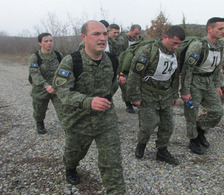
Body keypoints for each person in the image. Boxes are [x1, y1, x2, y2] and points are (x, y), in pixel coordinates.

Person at [53, 20, 125, 194]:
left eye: (105, 34)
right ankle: (70, 168)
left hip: (105, 119)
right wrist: (88, 101)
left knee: (112, 161)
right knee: (73, 154)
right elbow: (62, 91)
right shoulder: (71, 61)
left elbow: (113, 85)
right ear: (84, 37)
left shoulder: (112, 61)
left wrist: (103, 101)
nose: (102, 38)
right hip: (78, 120)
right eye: (96, 34)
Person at [127, 26, 186, 165]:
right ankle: (141, 144)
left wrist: (174, 94)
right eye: (174, 43)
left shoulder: (174, 54)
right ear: (166, 37)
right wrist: (135, 97)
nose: (176, 47)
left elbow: (174, 75)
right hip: (147, 93)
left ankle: (162, 150)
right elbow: (134, 75)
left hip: (165, 95)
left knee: (168, 125)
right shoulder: (148, 51)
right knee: (148, 124)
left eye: (179, 44)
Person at [181, 17, 224, 155]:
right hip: (194, 83)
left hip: (209, 83)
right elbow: (187, 70)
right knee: (191, 114)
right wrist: (185, 91)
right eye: (220, 28)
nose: (223, 31)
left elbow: (217, 68)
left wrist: (217, 85)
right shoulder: (198, 45)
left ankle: (200, 130)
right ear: (209, 29)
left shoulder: (219, 46)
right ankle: (193, 140)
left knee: (217, 112)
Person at [28, 32, 63, 134]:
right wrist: (46, 85)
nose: (49, 43)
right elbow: (35, 74)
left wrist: (60, 84)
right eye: (46, 41)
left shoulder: (58, 55)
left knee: (63, 109)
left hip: (56, 88)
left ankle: (67, 126)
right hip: (41, 89)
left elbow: (64, 71)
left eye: (51, 41)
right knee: (39, 110)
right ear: (40, 43)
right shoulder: (35, 57)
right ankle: (40, 123)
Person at [118, 24, 143, 113]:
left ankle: (137, 103)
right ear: (131, 31)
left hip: (135, 67)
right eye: (135, 33)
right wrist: (121, 72)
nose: (137, 36)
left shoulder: (139, 40)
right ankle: (128, 104)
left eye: (138, 34)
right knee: (125, 87)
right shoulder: (122, 40)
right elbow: (120, 57)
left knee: (137, 85)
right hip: (124, 66)